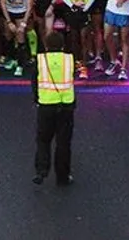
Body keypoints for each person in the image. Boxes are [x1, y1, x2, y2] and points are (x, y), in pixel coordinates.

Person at [32, 28, 76, 186]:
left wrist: (37, 99)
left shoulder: (40, 60)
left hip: (46, 105)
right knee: (63, 143)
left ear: (46, 45)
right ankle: (63, 176)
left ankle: (41, 171)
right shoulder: (69, 60)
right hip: (66, 106)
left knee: (43, 140)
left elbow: (34, 83)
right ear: (63, 46)